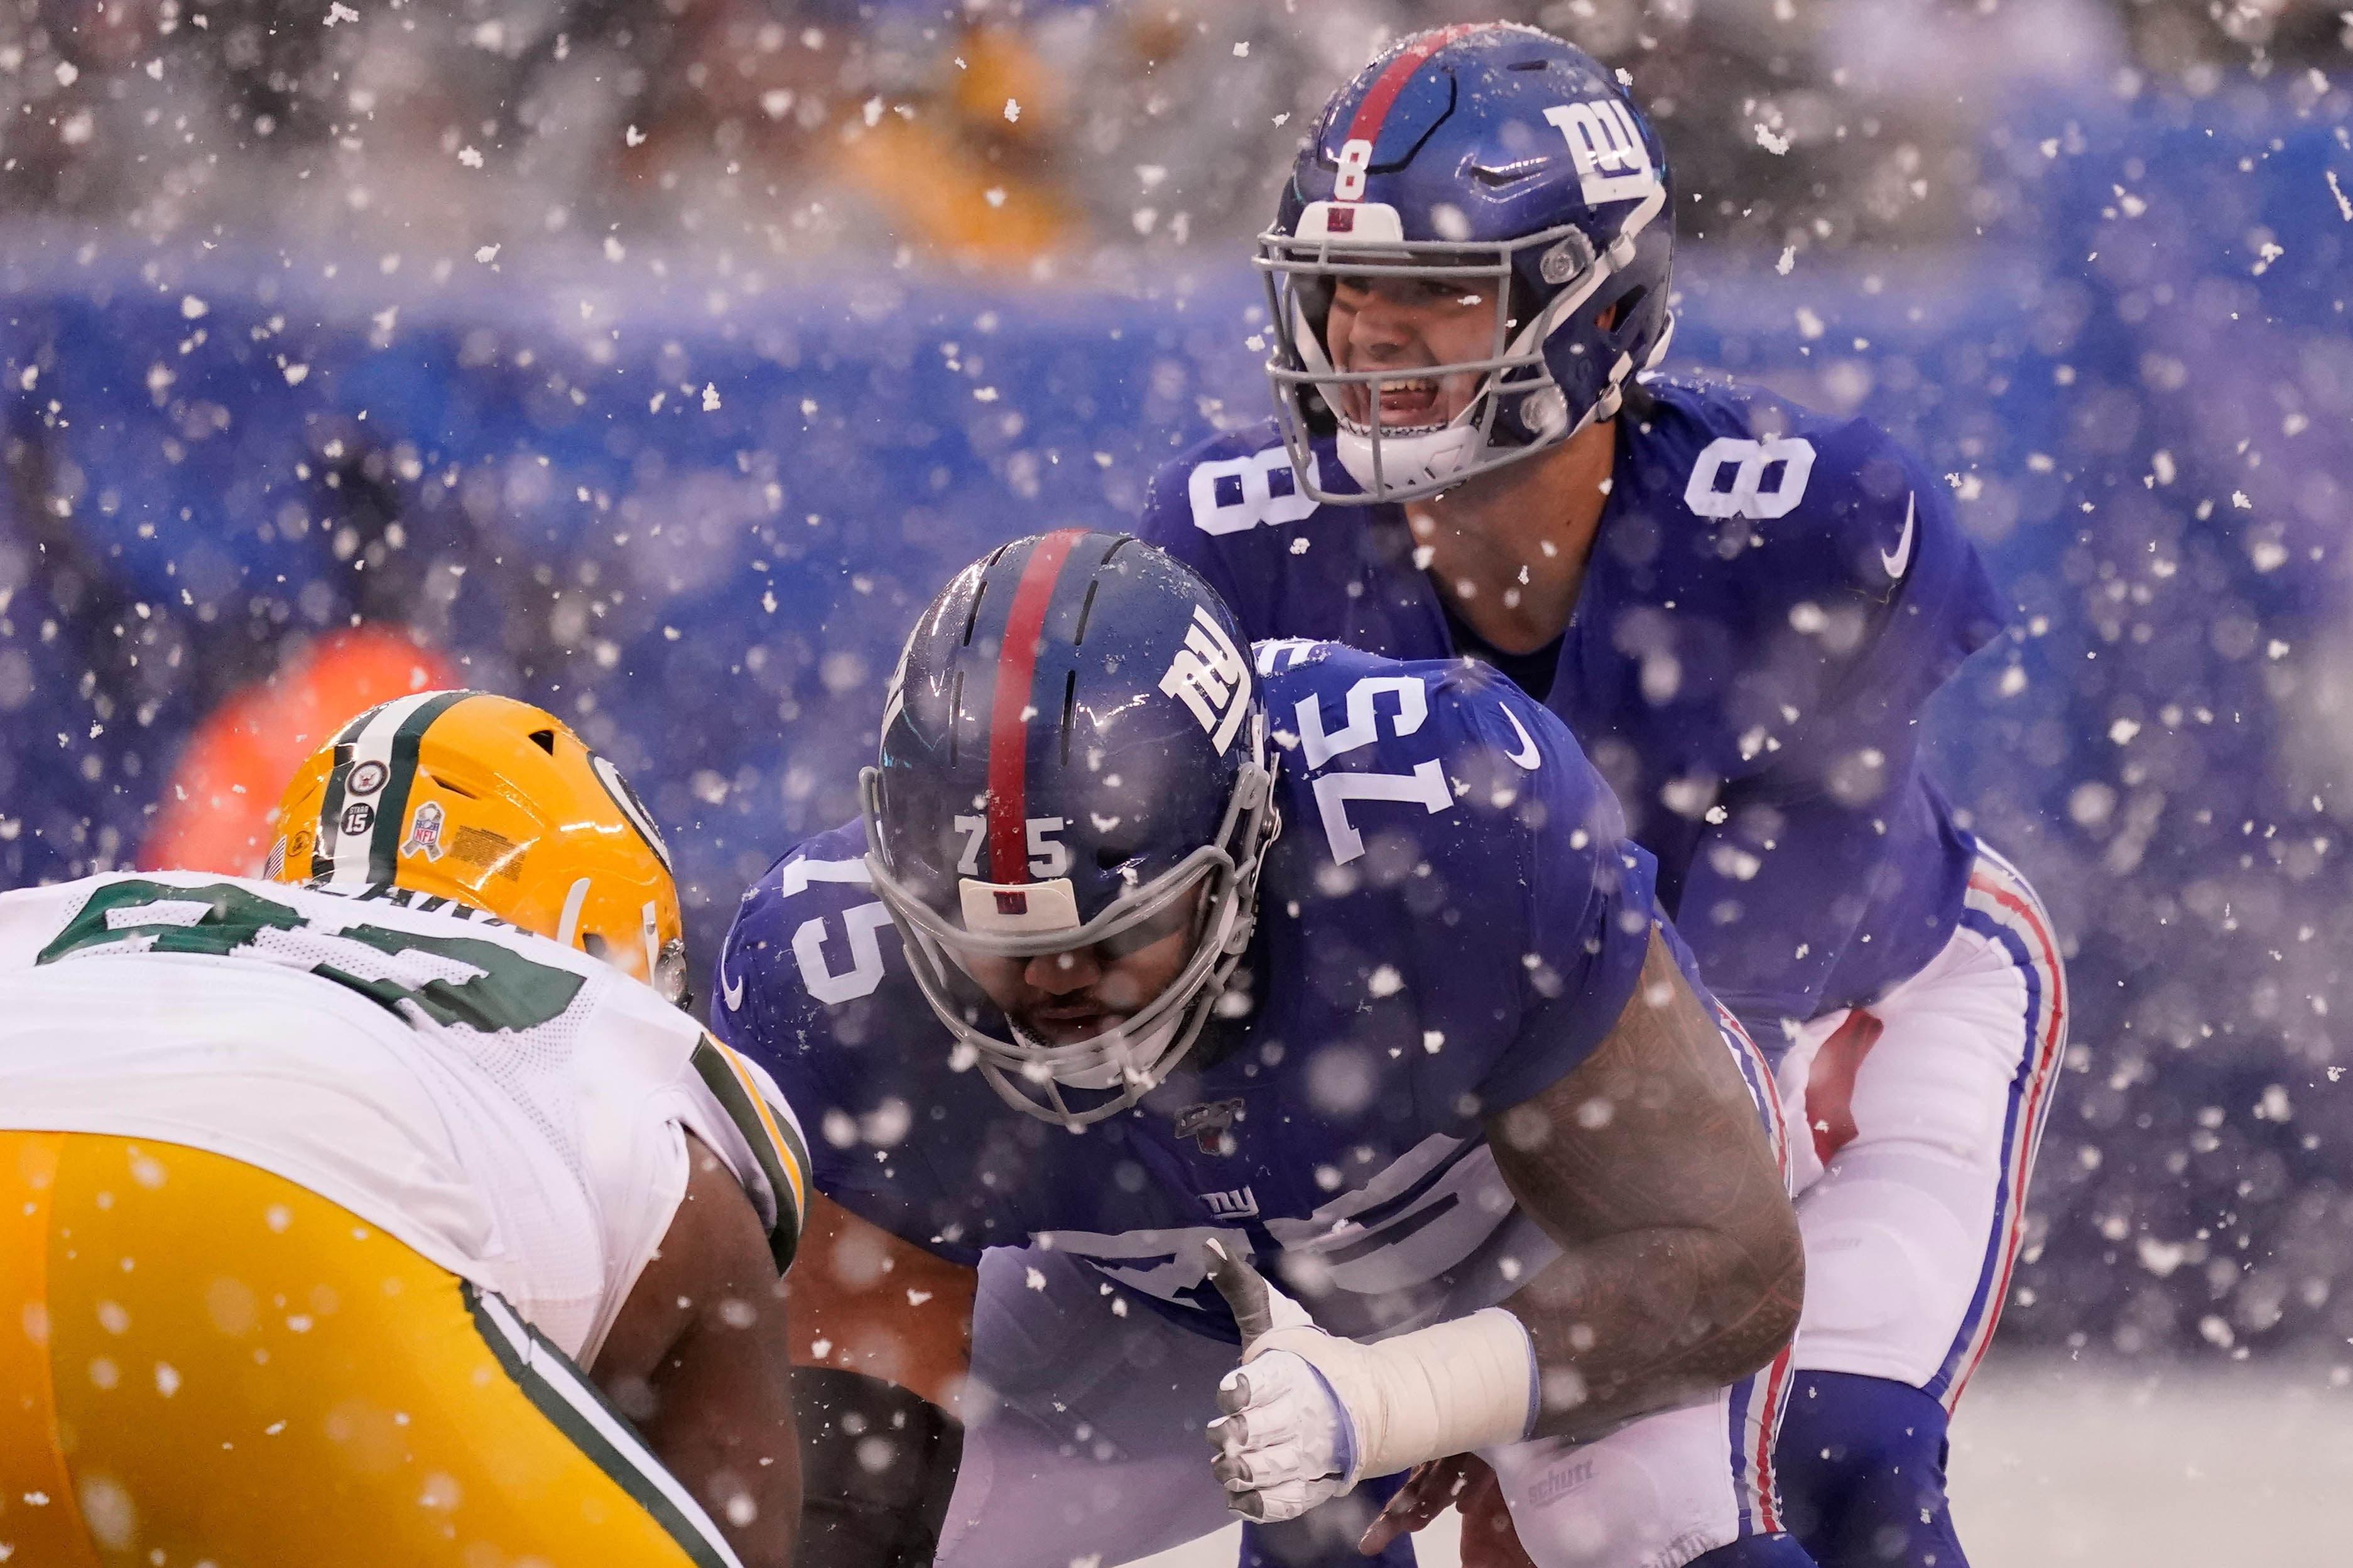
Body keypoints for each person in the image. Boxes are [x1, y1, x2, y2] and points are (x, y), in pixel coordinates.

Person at [1134, 23, 2067, 1568]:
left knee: (1827, 1454)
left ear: (1596, 305)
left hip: (1859, 1021)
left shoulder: (1795, 526)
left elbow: (1719, 1073)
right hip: (1499, 1071)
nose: (1366, 336)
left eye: (1433, 290)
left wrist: (1506, 1380)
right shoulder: (1238, 540)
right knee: (1318, 1509)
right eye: (1343, 288)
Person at [715, 529, 1814, 1568]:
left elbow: (1727, 1266)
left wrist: (1399, 1398)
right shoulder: (835, 976)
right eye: (993, 941)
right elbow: (853, 1462)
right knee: (782, 1526)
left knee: (1633, 1523)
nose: (1053, 985)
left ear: (1245, 836)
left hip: (1535, 1235)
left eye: (1115, 929)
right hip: (1174, 1303)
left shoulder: (1447, 812)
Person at [0, 691, 808, 1568]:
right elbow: (734, 1483)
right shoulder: (614, 1036)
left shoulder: (108, 910)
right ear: (607, 927)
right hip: (276, 1227)